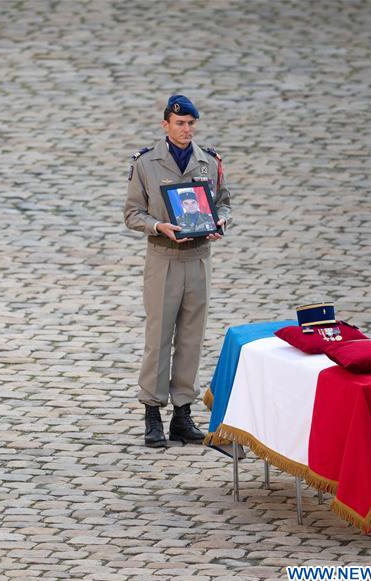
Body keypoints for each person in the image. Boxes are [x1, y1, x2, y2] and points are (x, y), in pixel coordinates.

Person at [124, 95, 231, 448]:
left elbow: (224, 203)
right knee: (158, 337)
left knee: (191, 337)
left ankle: (182, 414)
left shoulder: (209, 162)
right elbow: (132, 213)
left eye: (190, 124)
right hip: (164, 258)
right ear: (165, 125)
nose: (186, 129)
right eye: (180, 123)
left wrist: (220, 222)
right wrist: (158, 227)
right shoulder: (146, 163)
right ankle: (152, 413)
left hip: (198, 258)